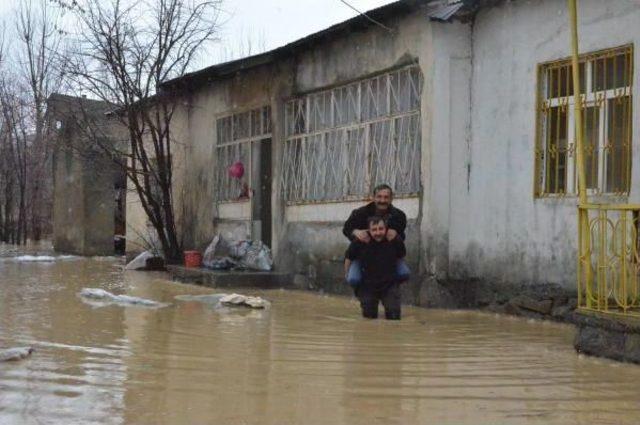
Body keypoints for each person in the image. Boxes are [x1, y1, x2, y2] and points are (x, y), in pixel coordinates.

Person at [343, 184, 409, 286]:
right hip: (363, 255)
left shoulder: (399, 216)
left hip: (387, 256)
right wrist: (356, 232)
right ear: (374, 197)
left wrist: (396, 234)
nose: (382, 200)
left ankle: (391, 291)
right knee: (353, 278)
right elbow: (346, 228)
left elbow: (401, 237)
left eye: (386, 197)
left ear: (391, 199)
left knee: (404, 273)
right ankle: (363, 293)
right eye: (379, 197)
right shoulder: (361, 213)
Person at [344, 216, 406, 320]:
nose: (378, 233)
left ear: (386, 229)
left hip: (389, 284)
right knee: (369, 317)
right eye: (374, 230)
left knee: (394, 316)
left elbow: (402, 256)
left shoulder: (394, 238)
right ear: (369, 230)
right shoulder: (360, 240)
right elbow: (348, 257)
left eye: (381, 229)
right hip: (367, 285)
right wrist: (347, 275)